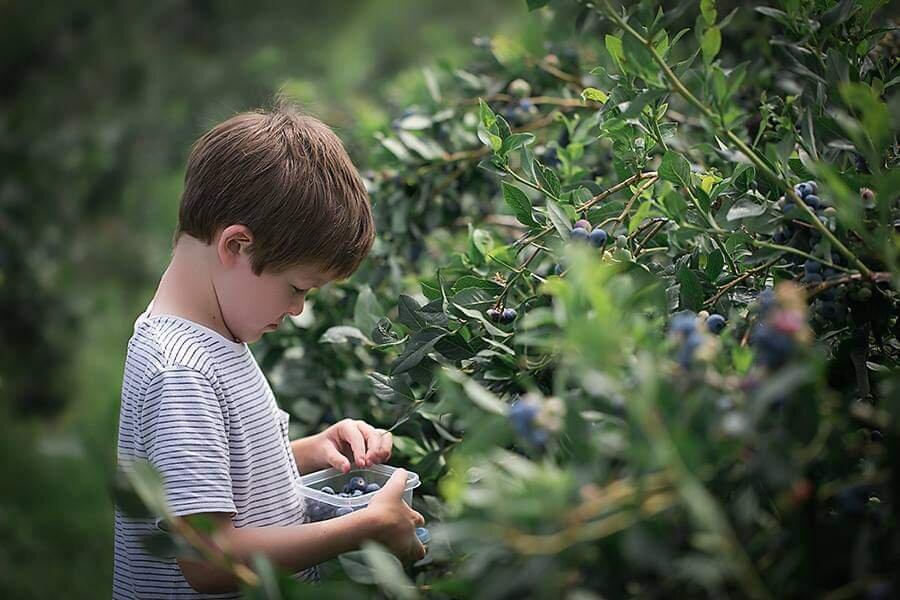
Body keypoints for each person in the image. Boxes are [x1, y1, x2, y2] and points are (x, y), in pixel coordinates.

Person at [113, 100, 425, 598]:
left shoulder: (214, 335)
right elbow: (209, 559)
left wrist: (309, 453)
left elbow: (217, 478)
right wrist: (362, 527)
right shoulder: (182, 373)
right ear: (236, 246)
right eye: (298, 288)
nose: (299, 309)